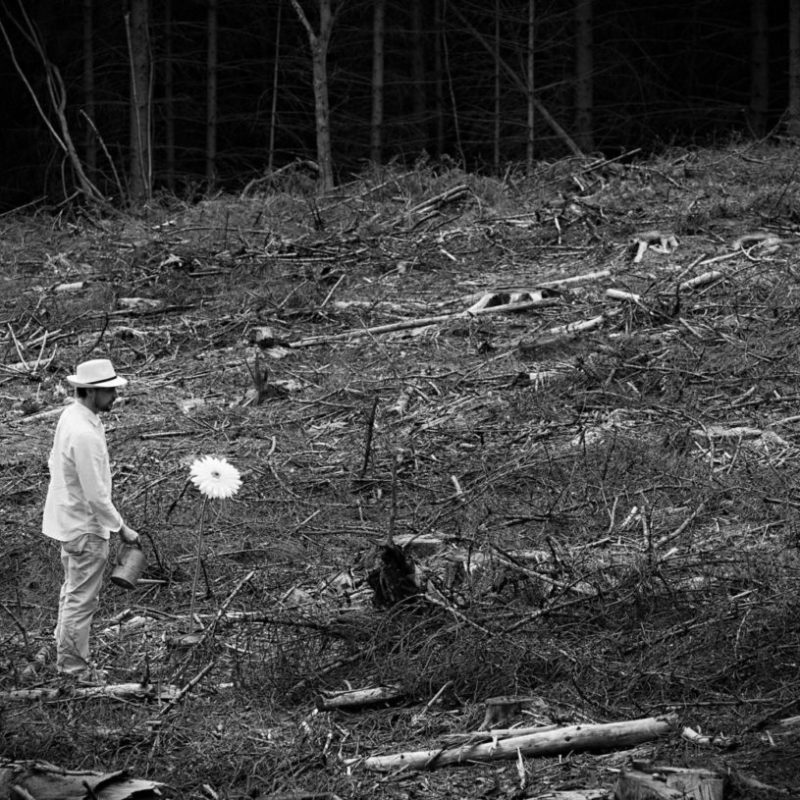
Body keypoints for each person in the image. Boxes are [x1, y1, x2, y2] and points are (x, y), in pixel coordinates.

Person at [42, 358, 140, 681]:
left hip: (72, 522)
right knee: (82, 600)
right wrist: (121, 527)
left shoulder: (72, 417)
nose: (114, 396)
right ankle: (73, 671)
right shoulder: (83, 431)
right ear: (92, 392)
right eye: (109, 391)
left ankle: (63, 652)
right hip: (85, 527)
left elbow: (55, 464)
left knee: (72, 592)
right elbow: (96, 493)